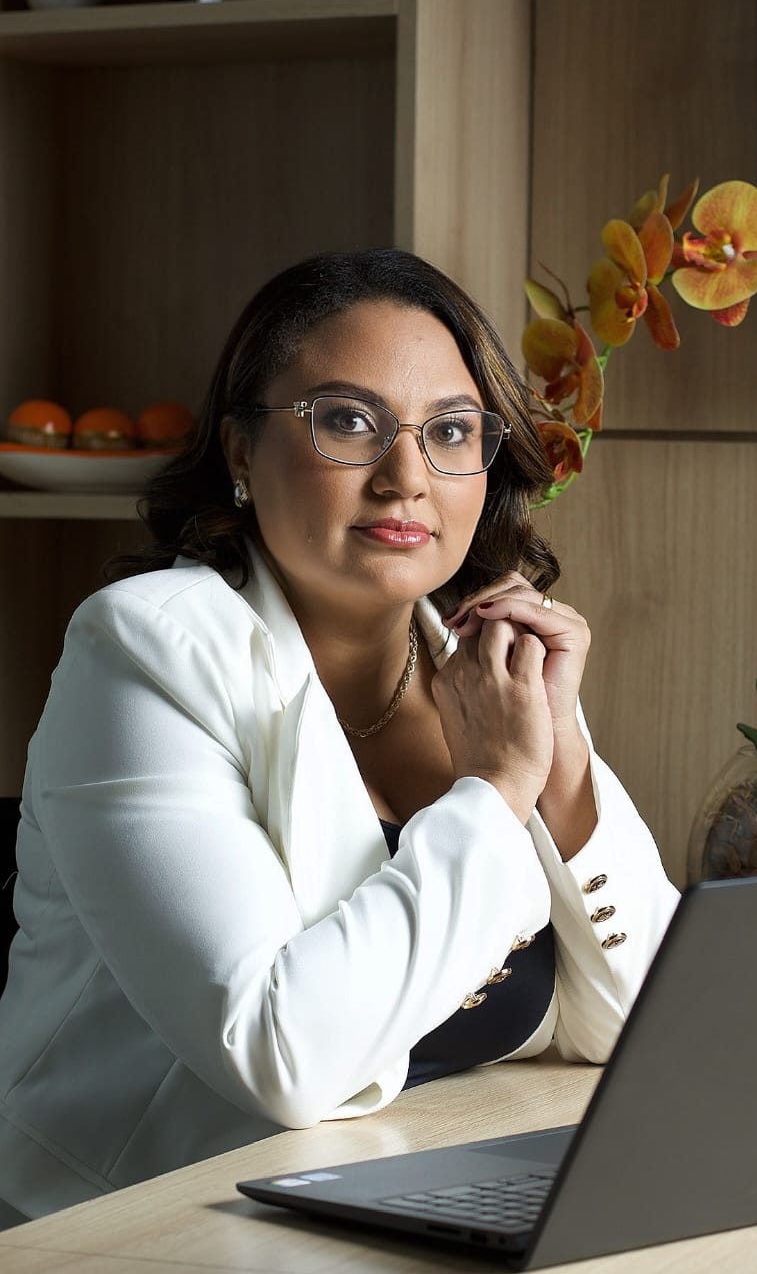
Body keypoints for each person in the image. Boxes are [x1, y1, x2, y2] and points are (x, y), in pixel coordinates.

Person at [0, 249, 678, 1222]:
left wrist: (560, 760)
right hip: (133, 1238)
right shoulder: (146, 649)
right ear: (241, 451)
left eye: (451, 430)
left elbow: (638, 1028)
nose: (407, 478)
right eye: (349, 422)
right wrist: (494, 793)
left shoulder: (488, 671)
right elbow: (281, 1054)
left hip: (410, 1195)